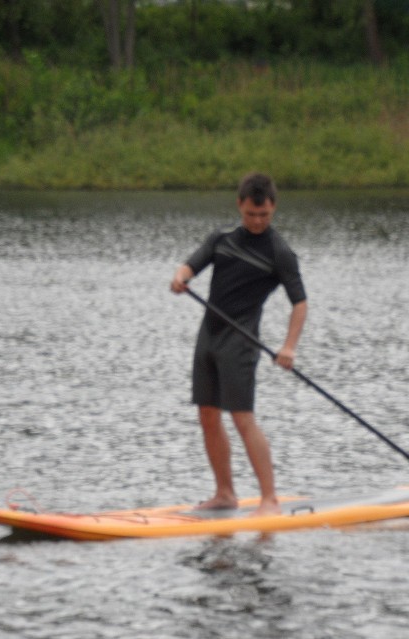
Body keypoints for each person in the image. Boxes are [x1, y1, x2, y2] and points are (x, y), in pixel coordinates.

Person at [170, 173, 307, 517]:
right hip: (209, 336)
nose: (258, 222)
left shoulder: (280, 253)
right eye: (251, 215)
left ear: (273, 207)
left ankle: (269, 500)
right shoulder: (222, 238)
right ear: (240, 206)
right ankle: (225, 494)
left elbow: (300, 304)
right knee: (207, 415)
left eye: (264, 215)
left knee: (243, 418)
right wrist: (181, 278)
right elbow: (191, 264)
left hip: (241, 341)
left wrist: (288, 347)